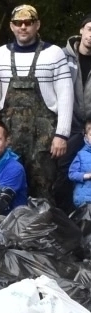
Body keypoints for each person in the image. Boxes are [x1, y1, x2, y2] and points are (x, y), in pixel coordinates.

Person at [0, 4, 73, 202]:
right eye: (18, 23)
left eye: (29, 22)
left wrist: (62, 134)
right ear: (11, 26)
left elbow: (66, 96)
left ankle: (44, 230)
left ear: (37, 25)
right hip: (9, 138)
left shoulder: (54, 54)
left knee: (44, 191)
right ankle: (6, 231)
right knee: (8, 189)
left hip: (45, 140)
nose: (23, 27)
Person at [59, 14, 91, 212]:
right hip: (67, 125)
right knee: (64, 171)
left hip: (90, 128)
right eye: (89, 29)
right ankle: (64, 218)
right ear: (81, 30)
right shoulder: (62, 55)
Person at [68, 120, 91, 208]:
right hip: (84, 199)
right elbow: (71, 174)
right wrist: (87, 176)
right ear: (86, 137)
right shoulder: (81, 155)